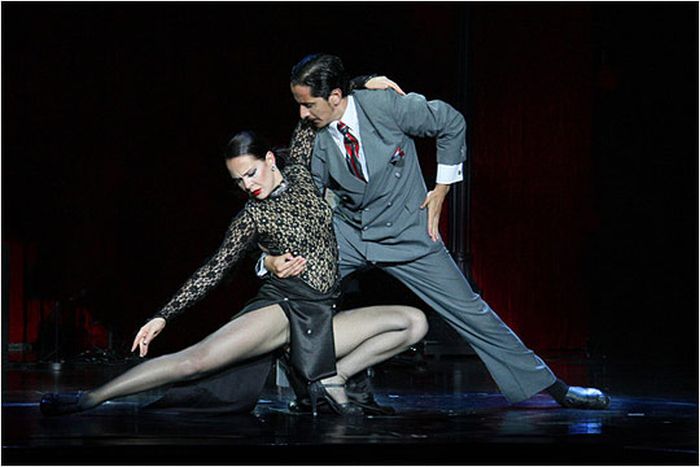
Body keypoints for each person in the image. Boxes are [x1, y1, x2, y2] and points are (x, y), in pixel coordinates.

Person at [262, 53, 610, 410]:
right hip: (350, 232)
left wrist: (442, 188)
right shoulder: (313, 134)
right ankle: (287, 386)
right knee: (288, 288)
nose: (302, 113)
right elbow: (306, 196)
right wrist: (278, 254)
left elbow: (450, 122)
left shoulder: (385, 106)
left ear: (335, 97)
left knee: (471, 312)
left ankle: (554, 388)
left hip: (408, 233)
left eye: (308, 104)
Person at [39, 121, 428, 417]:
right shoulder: (252, 217)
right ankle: (90, 399)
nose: (247, 185)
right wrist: (163, 315)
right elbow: (215, 269)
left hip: (321, 315)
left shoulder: (303, 174)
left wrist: (367, 81)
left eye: (251, 173)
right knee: (196, 360)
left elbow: (316, 104)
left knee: (414, 322)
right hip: (282, 310)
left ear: (270, 159)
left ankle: (331, 378)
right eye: (238, 180)